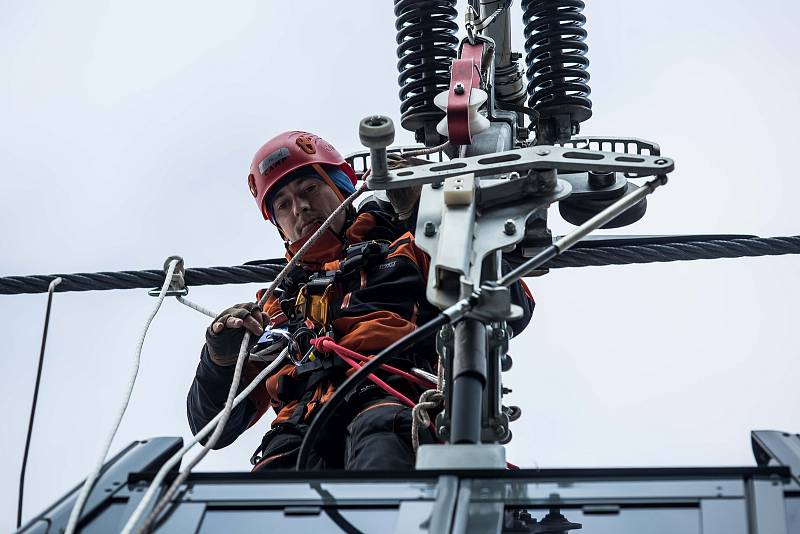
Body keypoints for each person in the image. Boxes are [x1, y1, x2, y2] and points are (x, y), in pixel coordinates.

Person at [187, 130, 534, 471]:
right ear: (278, 224)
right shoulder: (275, 305)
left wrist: (428, 215)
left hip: (390, 399)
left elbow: (510, 308)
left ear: (342, 190)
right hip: (297, 429)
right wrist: (219, 358)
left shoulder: (409, 248)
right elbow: (213, 430)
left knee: (379, 441)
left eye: (310, 188)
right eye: (283, 204)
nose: (301, 207)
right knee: (273, 483)